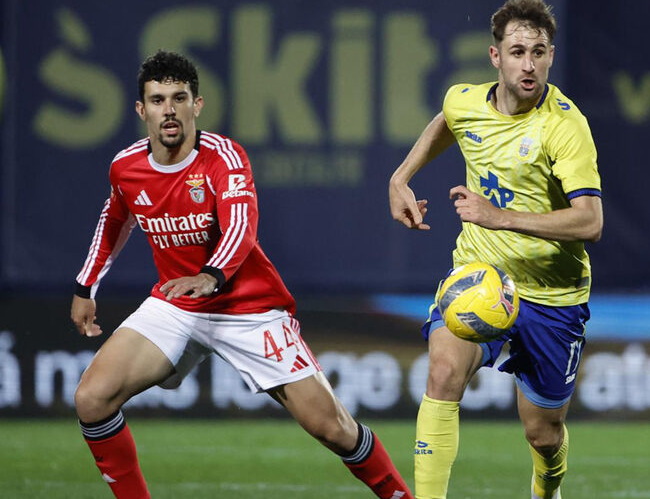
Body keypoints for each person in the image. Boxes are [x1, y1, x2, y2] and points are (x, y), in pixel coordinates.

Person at [71, 50, 414, 499]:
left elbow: (241, 225)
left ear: (197, 105)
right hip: (177, 306)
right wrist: (85, 285)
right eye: (157, 100)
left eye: (179, 98)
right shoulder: (126, 166)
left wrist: (211, 275)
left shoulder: (224, 156)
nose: (168, 110)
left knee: (332, 428)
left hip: (248, 307)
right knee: (92, 398)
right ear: (141, 110)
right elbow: (115, 220)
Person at [388, 0, 603, 499]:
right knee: (443, 373)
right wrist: (400, 177)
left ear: (551, 56)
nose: (529, 65)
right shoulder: (465, 101)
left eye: (539, 52)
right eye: (517, 52)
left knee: (542, 433)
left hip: (552, 295)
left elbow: (591, 221)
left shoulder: (565, 126)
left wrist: (497, 216)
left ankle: (546, 487)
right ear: (495, 56)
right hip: (480, 276)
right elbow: (449, 119)